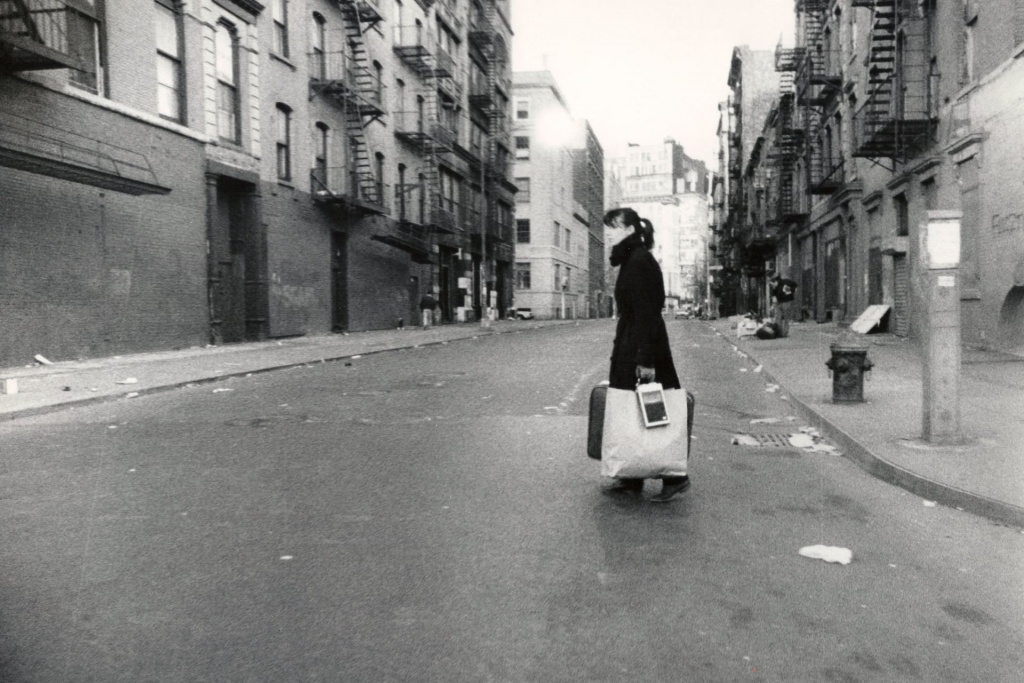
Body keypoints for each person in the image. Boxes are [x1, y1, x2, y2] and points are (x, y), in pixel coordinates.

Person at [603, 207, 693, 502]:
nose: (608, 233)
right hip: (634, 341)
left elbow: (645, 313)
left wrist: (645, 360)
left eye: (614, 227)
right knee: (634, 407)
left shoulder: (639, 261)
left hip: (641, 344)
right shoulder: (632, 258)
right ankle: (632, 476)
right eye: (608, 227)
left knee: (655, 408)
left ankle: (675, 477)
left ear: (630, 230)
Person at [767, 271, 798, 338]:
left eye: (772, 284)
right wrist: (773, 306)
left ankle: (784, 334)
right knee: (778, 318)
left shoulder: (786, 282)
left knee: (786, 318)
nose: (772, 286)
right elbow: (774, 297)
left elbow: (795, 286)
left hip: (786, 301)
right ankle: (780, 333)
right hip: (780, 302)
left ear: (775, 282)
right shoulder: (775, 289)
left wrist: (789, 291)